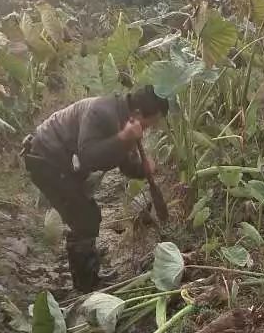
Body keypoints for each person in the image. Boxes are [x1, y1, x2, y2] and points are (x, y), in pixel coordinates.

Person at [23, 86, 169, 291]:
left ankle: (89, 274)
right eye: (149, 124)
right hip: (45, 157)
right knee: (85, 216)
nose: (148, 130)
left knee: (85, 215)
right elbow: (88, 156)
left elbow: (124, 164)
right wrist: (123, 138)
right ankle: (86, 285)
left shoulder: (124, 119)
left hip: (63, 161)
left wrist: (142, 169)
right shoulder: (102, 112)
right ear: (137, 113)